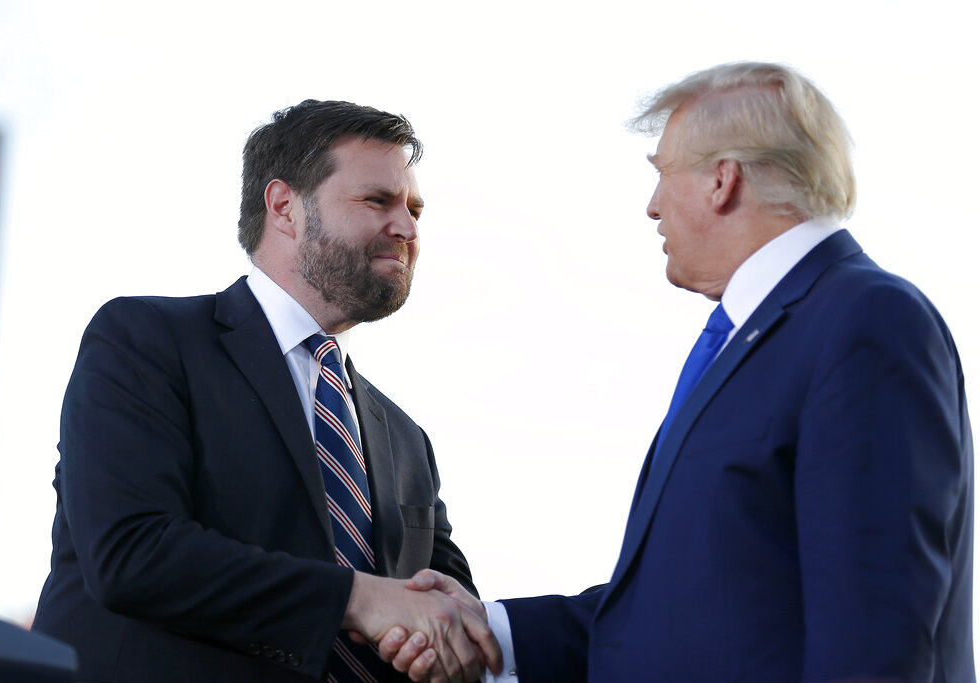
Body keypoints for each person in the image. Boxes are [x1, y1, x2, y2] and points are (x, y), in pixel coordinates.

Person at [389, 62, 975, 682]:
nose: (651, 207)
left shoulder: (865, 320)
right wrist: (490, 631)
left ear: (723, 180)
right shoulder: (759, 335)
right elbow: (690, 614)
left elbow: (876, 631)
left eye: (662, 174)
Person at [32, 100, 500, 683]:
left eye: (414, 209)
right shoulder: (145, 341)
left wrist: (443, 626)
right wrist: (359, 598)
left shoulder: (407, 441)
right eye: (377, 201)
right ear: (284, 207)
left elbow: (448, 610)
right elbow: (132, 553)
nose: (406, 227)